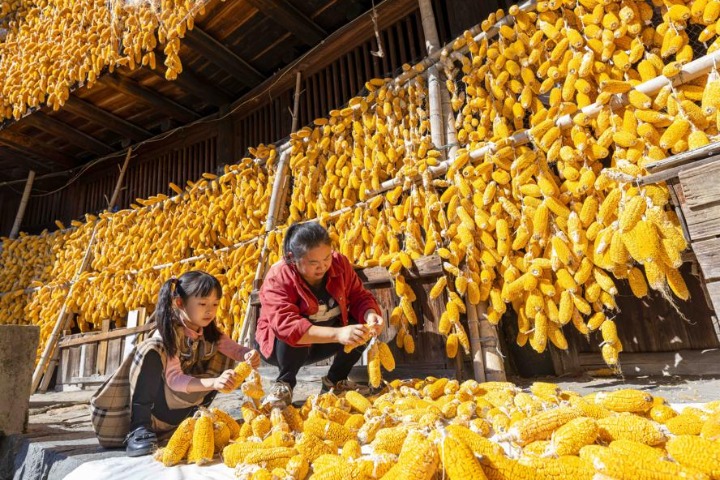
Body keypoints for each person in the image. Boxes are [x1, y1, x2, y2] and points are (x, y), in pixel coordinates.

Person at [90, 270, 260, 457]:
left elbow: (234, 349)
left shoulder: (208, 332)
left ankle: (189, 421)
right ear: (180, 303)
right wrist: (214, 382)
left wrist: (248, 354)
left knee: (223, 352)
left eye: (215, 304)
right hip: (157, 407)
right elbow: (174, 379)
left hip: (180, 408)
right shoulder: (167, 333)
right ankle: (139, 428)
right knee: (151, 348)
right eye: (203, 304)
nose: (210, 310)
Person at [255, 222, 384, 407]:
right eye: (313, 262)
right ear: (292, 258)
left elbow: (359, 296)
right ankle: (284, 383)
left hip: (322, 342)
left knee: (362, 325)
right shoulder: (278, 276)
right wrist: (339, 334)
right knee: (295, 327)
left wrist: (370, 314)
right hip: (280, 348)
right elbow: (286, 325)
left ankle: (336, 382)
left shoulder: (340, 264)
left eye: (326, 259)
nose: (322, 267)